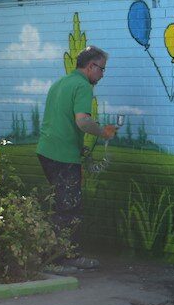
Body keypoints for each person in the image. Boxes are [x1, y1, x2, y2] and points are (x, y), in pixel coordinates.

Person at [36, 46, 116, 270]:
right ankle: (67, 259)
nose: (102, 74)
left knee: (60, 204)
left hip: (47, 151)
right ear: (91, 66)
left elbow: (60, 119)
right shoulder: (82, 86)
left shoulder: (60, 83)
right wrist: (103, 132)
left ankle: (53, 258)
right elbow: (82, 121)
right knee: (69, 207)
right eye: (101, 69)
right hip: (62, 155)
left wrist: (77, 147)